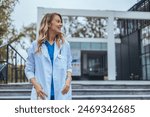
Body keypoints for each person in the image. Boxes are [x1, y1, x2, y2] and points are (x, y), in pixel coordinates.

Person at [25, 13, 72, 100]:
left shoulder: (65, 45)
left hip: (62, 93)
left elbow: (69, 66)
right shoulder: (35, 45)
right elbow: (29, 70)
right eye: (58, 21)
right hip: (42, 93)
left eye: (61, 22)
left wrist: (68, 80)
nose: (61, 24)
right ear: (49, 24)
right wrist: (36, 86)